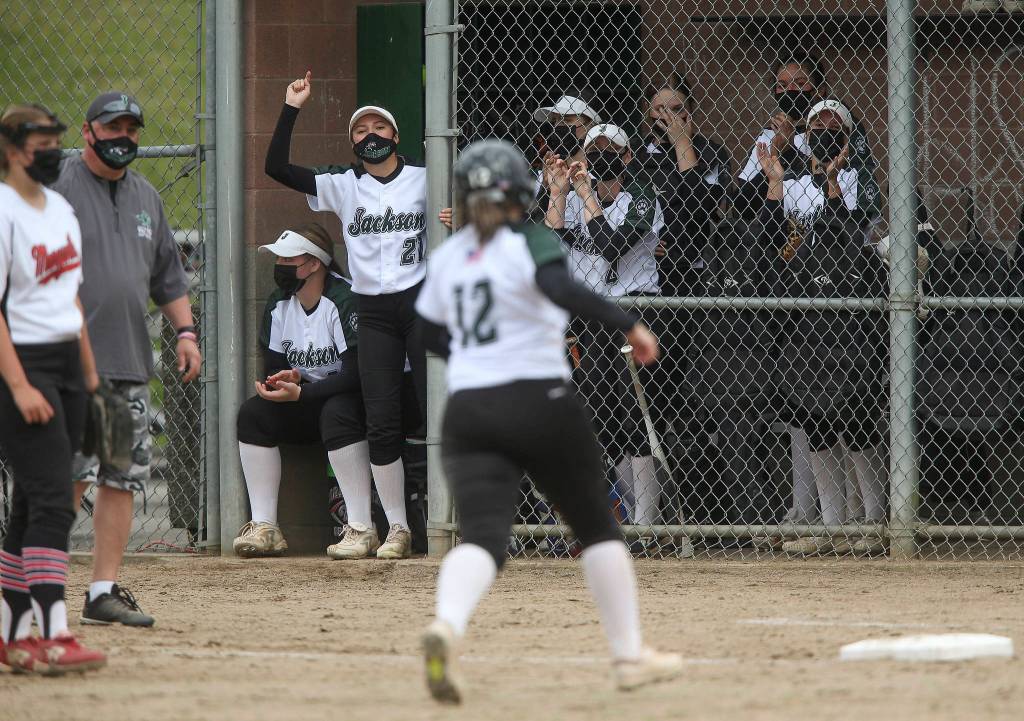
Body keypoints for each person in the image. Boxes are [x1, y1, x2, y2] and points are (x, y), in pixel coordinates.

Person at [416, 139, 683, 704]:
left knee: (485, 536)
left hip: (469, 410)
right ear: (521, 193)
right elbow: (562, 287)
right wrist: (627, 324)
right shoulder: (531, 238)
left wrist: (470, 352)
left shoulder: (448, 255)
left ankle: (446, 624)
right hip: (539, 399)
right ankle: (629, 655)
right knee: (596, 528)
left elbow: (424, 335)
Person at [54, 92, 201, 627]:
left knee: (120, 479)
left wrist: (185, 331)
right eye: (113, 127)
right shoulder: (58, 186)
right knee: (67, 479)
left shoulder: (145, 195)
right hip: (67, 365)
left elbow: (168, 276)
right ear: (88, 131)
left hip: (128, 365)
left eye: (133, 129)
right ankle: (30, 588)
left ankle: (101, 591)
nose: (124, 138)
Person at [265, 70, 425, 559]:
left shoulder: (424, 175)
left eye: (378, 128)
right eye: (360, 131)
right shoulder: (343, 184)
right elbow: (276, 167)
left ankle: (453, 519)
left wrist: (454, 215)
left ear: (395, 136)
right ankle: (396, 528)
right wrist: (292, 106)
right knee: (380, 419)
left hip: (420, 302)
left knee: (434, 409)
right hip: (374, 310)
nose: (370, 135)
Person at [755, 99, 888, 556]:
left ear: (850, 134)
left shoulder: (859, 178)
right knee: (814, 420)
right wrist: (775, 180)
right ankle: (831, 526)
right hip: (806, 308)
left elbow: (852, 231)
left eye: (834, 125)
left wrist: (835, 176)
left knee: (857, 418)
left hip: (850, 304)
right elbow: (768, 238)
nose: (825, 130)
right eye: (816, 125)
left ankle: (874, 519)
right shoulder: (794, 184)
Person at [0, 103, 106, 673]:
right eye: (39, 141)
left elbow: (71, 301)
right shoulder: (2, 211)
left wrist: (90, 381)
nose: (51, 150)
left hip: (66, 363)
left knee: (28, 507)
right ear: (13, 149)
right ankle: (55, 632)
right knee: (52, 502)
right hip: (23, 363)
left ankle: (13, 635)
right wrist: (18, 386)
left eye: (54, 140)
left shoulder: (61, 209)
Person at [544, 124, 675, 548]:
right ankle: (615, 515)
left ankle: (645, 523)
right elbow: (552, 247)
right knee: (598, 416)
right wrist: (560, 194)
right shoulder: (585, 199)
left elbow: (613, 246)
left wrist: (585, 198)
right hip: (595, 314)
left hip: (637, 308)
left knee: (636, 412)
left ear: (627, 156)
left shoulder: (641, 194)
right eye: (592, 148)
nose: (601, 155)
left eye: (610, 149)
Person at [231, 223, 385, 559]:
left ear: (315, 263)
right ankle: (265, 527)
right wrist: (283, 380)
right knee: (253, 414)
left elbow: (356, 374)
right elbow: (274, 363)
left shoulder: (343, 298)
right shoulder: (279, 303)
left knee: (337, 410)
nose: (280, 267)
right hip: (307, 399)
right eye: (279, 260)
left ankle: (361, 528)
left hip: (352, 403)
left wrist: (303, 394)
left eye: (290, 260)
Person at [735, 48, 881, 230]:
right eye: (782, 85)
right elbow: (743, 207)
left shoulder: (842, 124)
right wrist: (779, 153)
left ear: (819, 90)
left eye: (799, 83)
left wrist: (790, 151)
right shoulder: (769, 135)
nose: (790, 91)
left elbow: (858, 217)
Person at [631, 72, 725, 296]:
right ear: (648, 112)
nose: (668, 117)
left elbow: (701, 208)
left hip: (690, 265)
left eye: (676, 109)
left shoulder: (710, 152)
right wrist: (647, 243)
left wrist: (683, 144)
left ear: (690, 111)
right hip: (639, 265)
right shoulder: (635, 152)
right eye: (660, 110)